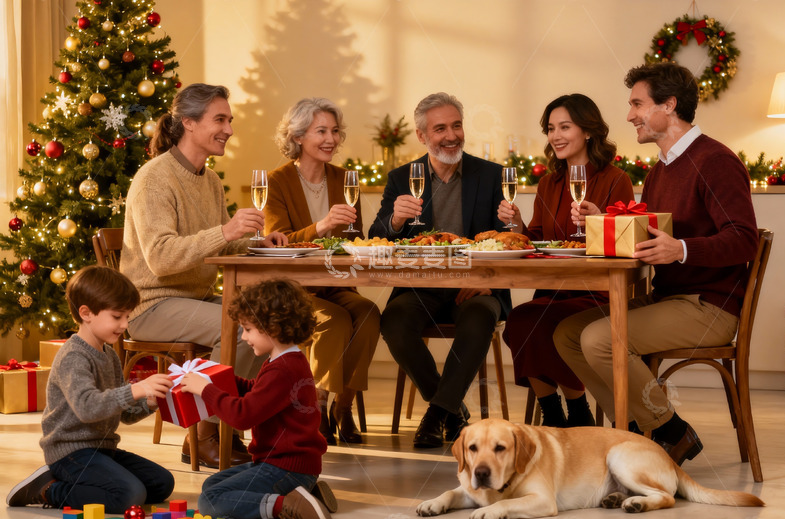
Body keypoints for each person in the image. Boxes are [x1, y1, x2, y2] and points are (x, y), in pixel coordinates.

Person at [554, 63, 759, 465]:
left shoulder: (715, 160)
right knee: (567, 334)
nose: (629, 115)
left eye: (637, 104)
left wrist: (681, 249)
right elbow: (651, 234)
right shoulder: (661, 169)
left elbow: (743, 239)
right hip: (669, 298)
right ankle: (636, 431)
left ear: (669, 105)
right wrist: (605, 220)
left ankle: (672, 434)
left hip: (709, 306)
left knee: (599, 339)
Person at [120, 83, 288, 468]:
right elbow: (161, 258)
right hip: (151, 304)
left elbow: (218, 246)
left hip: (193, 299)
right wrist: (227, 231)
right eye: (220, 120)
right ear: (189, 123)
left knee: (266, 323)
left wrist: (254, 243)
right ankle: (205, 433)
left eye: (230, 120)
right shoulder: (154, 178)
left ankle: (234, 427)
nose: (229, 129)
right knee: (238, 330)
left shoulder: (209, 180)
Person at [369, 92, 512, 448]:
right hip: (421, 285)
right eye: (440, 129)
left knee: (480, 317)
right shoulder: (402, 177)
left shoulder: (491, 175)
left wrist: (490, 283)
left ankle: (435, 415)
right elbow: (376, 237)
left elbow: (506, 239)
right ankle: (450, 409)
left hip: (475, 286)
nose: (451, 136)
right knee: (394, 322)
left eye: (456, 126)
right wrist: (395, 220)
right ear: (422, 136)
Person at [497, 94, 634, 427]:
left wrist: (601, 221)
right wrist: (516, 225)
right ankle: (556, 412)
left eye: (564, 127)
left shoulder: (616, 179)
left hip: (600, 293)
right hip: (554, 289)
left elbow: (628, 242)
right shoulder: (548, 183)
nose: (555, 136)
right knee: (521, 320)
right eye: (550, 128)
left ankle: (578, 410)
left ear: (587, 131)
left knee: (543, 322)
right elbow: (535, 239)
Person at [6, 266, 175, 512]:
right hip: (70, 454)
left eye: (127, 316)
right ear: (86, 313)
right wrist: (137, 389)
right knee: (129, 494)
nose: (124, 324)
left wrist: (149, 402)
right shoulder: (73, 356)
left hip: (103, 449)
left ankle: (89, 483)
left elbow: (123, 414)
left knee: (162, 483)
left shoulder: (110, 356)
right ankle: (48, 490)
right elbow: (87, 408)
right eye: (117, 317)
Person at [265, 98, 381, 445]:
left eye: (335, 131)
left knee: (369, 314)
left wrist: (354, 239)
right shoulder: (276, 181)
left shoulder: (346, 179)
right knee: (334, 321)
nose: (331, 139)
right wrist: (322, 225)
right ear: (298, 136)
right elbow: (278, 242)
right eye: (321, 131)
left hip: (336, 283)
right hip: (293, 289)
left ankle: (342, 406)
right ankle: (316, 407)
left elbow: (355, 238)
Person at [180, 279, 335, 519]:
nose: (244, 337)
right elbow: (257, 391)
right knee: (212, 484)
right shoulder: (285, 360)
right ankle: (306, 493)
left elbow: (243, 416)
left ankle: (286, 505)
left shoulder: (283, 369)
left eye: (248, 329)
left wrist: (206, 390)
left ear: (271, 327)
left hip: (285, 467)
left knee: (210, 500)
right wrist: (219, 379)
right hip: (284, 465)